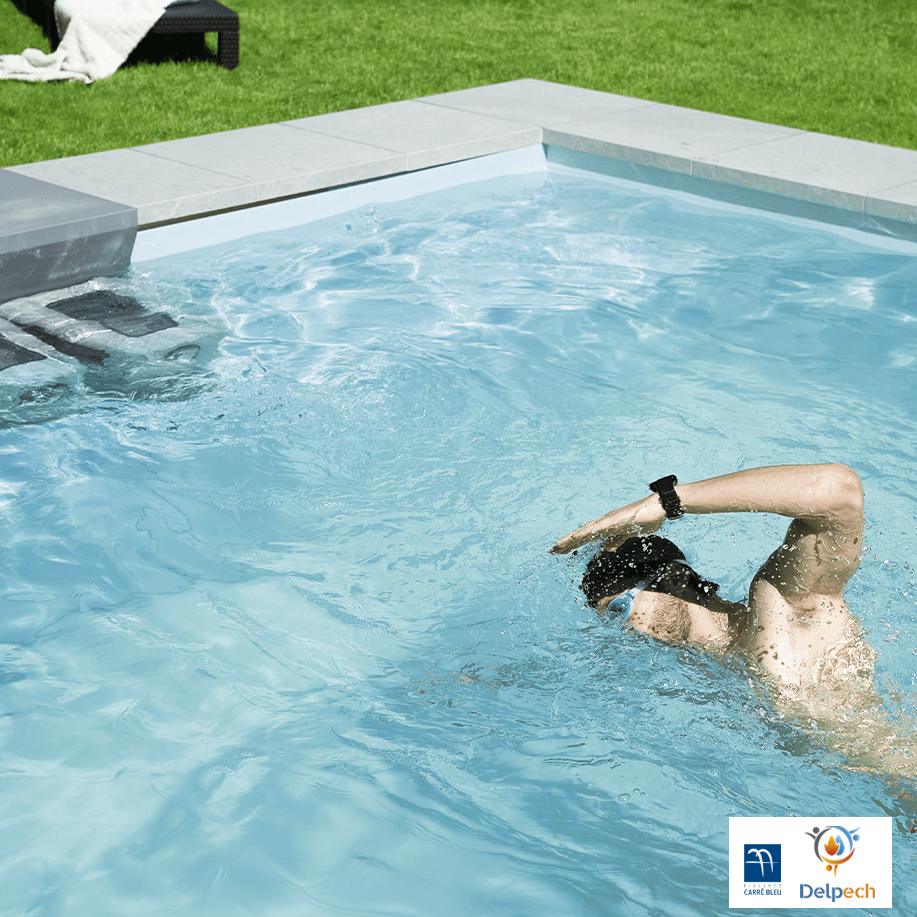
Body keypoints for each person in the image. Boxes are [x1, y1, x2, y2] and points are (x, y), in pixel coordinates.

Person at [550, 464, 872, 688]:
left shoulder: (781, 606)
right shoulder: (717, 674)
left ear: (673, 578)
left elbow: (841, 493)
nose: (620, 634)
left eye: (618, 610)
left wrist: (667, 502)